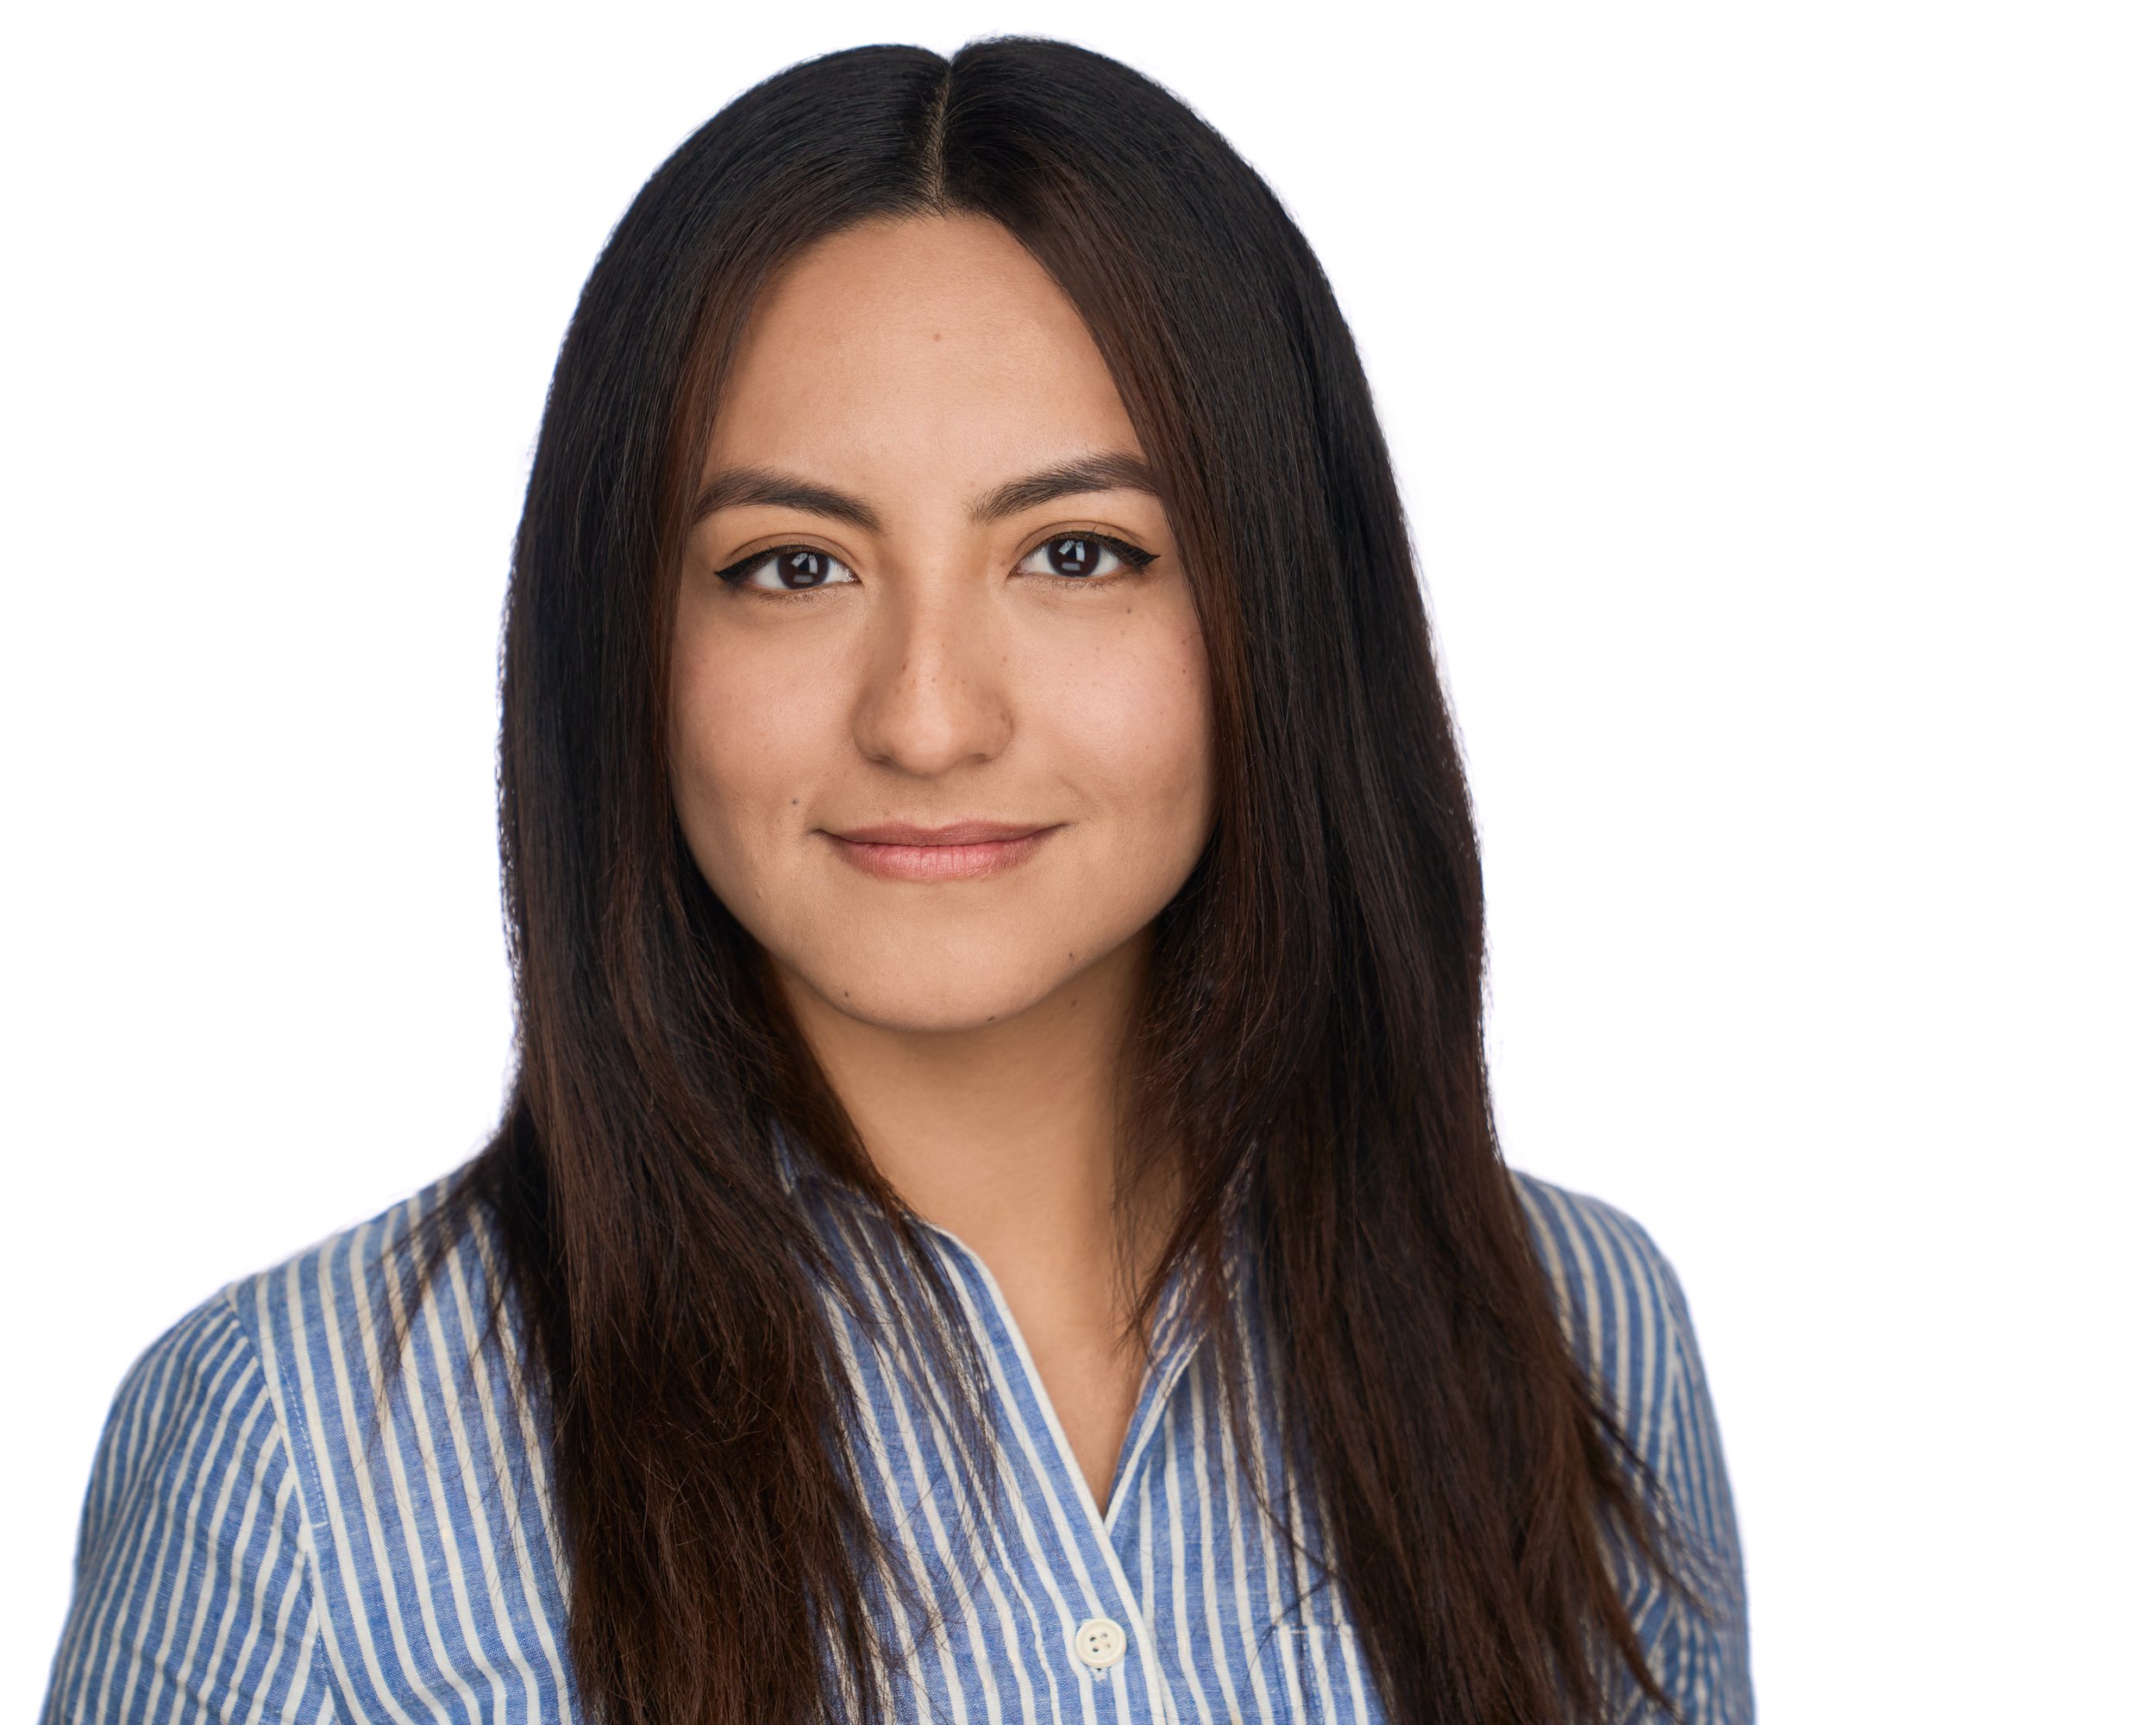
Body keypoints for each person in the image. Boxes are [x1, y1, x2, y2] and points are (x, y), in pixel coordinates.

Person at [40, 36, 1750, 1725]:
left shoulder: (1576, 1332)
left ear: (1283, 611)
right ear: (622, 633)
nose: (927, 719)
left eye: (1076, 553)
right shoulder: (295, 1462)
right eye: (793, 567)